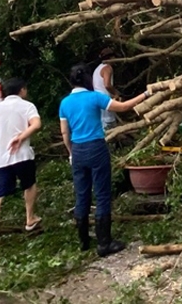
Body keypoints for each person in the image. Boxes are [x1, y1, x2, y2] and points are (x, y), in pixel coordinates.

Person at [59, 64, 150, 256]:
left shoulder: (65, 103)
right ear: (87, 80)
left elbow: (65, 132)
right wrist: (146, 95)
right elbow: (124, 106)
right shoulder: (95, 97)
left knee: (82, 195)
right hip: (96, 147)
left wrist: (70, 152)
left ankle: (84, 241)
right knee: (102, 194)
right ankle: (104, 243)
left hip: (78, 150)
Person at [0, 78, 42, 256]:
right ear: (22, 90)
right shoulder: (27, 106)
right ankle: (30, 218)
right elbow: (36, 124)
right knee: (29, 185)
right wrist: (22, 137)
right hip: (22, 155)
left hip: (0, 159)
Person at [92, 47, 119, 129]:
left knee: (102, 122)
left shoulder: (97, 68)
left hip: (97, 98)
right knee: (109, 123)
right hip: (105, 99)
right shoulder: (107, 68)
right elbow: (107, 84)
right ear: (111, 58)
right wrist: (116, 93)